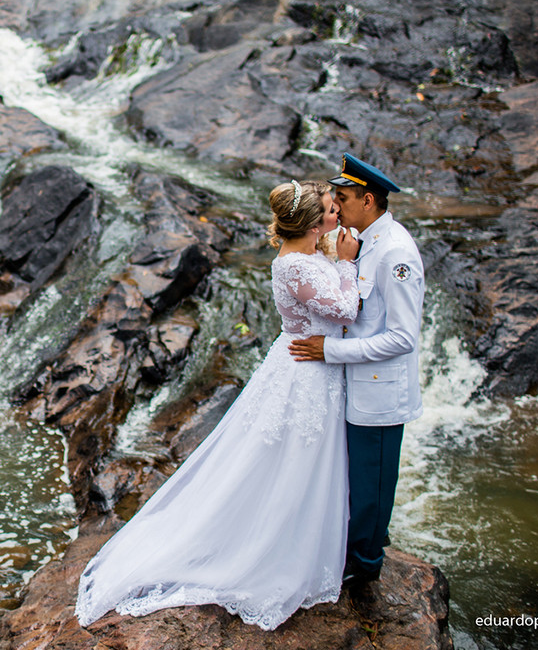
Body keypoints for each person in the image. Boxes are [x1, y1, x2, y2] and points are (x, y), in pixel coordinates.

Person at [75, 179, 361, 631]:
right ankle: (271, 548)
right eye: (329, 210)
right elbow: (345, 310)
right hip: (304, 373)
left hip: (315, 367)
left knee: (306, 457)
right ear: (309, 224)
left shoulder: (311, 251)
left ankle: (306, 538)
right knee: (291, 456)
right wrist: (347, 265)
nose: (336, 215)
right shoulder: (294, 267)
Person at [289, 153, 424, 586]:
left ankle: (366, 568)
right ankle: (354, 551)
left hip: (380, 392)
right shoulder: (360, 239)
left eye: (342, 198)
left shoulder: (396, 253)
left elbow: (403, 338)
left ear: (368, 200)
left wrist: (330, 351)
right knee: (354, 479)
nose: (336, 205)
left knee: (372, 483)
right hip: (352, 384)